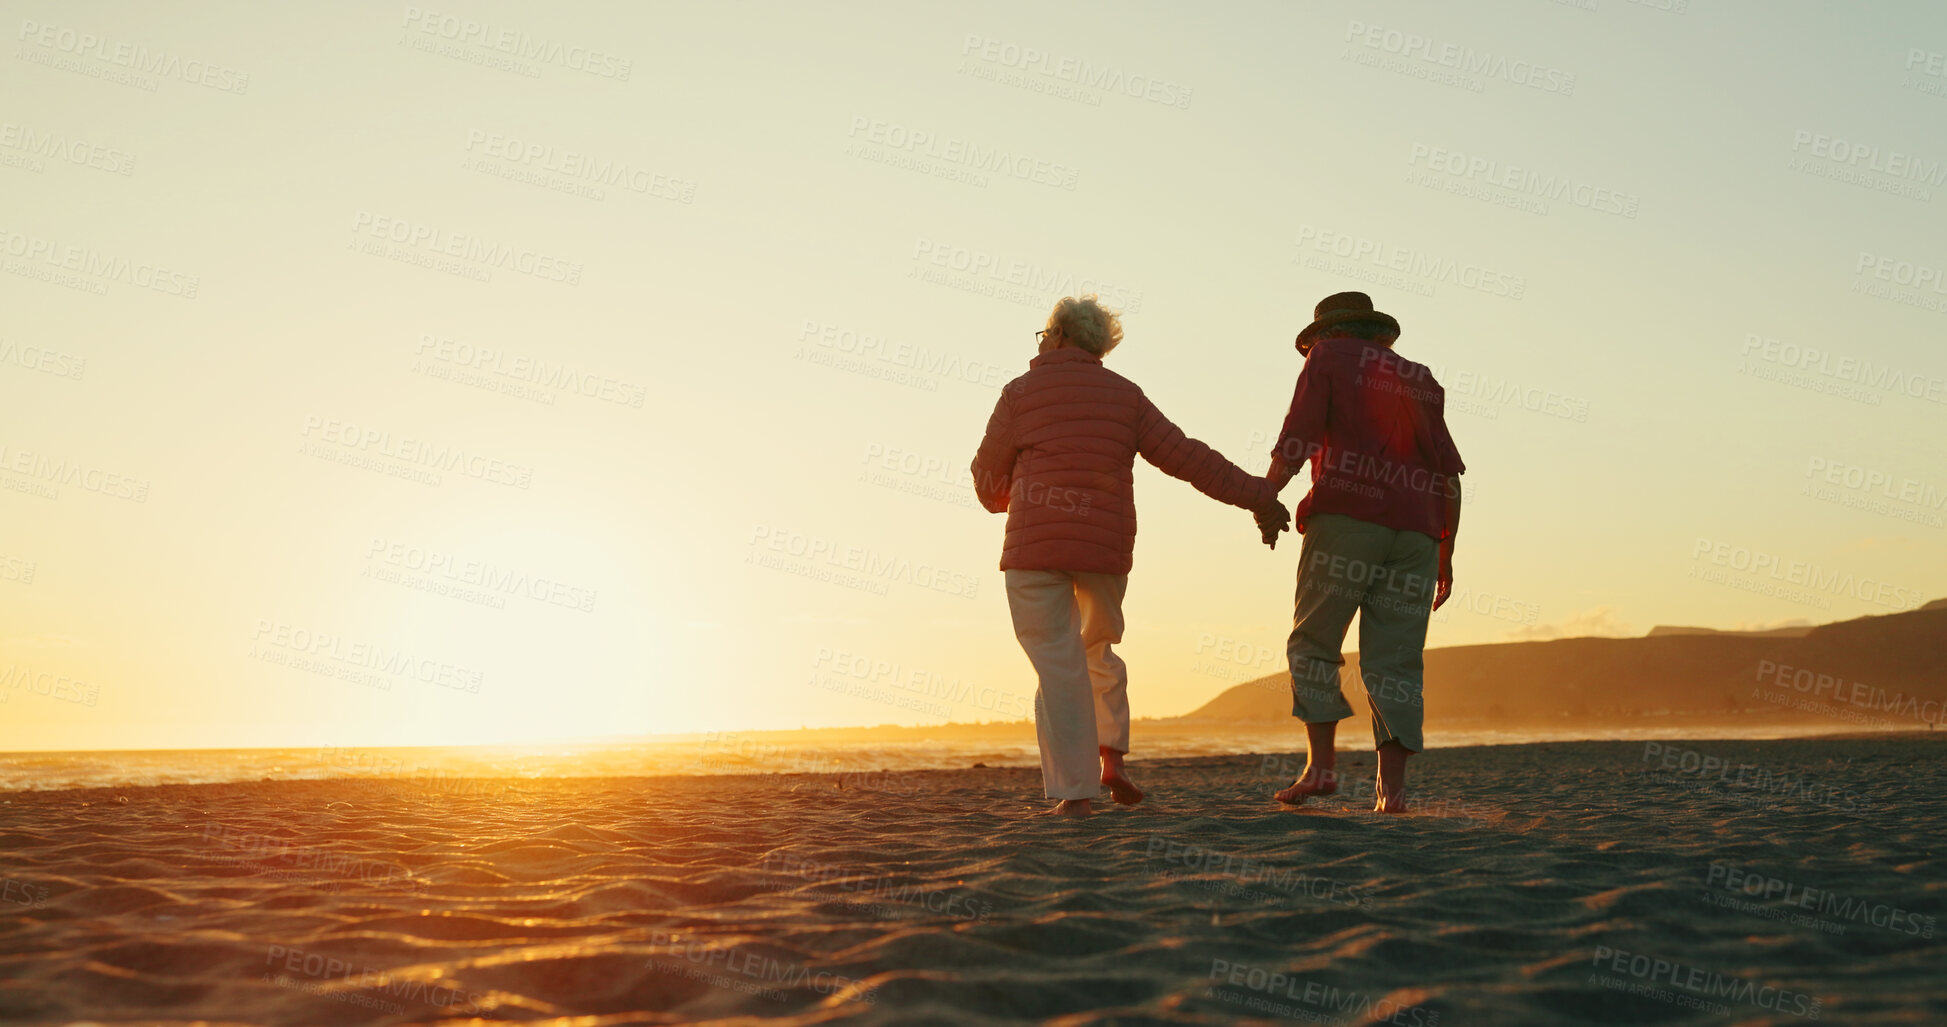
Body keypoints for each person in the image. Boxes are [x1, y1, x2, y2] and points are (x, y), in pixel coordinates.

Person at [972, 295, 1289, 818]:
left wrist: (1012, 495)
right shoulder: (1125, 396)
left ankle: (1076, 793)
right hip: (1103, 549)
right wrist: (1257, 496)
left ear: (1053, 336)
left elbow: (986, 479)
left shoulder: (1019, 393)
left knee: (1057, 663)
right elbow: (1189, 458)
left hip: (1036, 549)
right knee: (1099, 648)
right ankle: (1111, 756)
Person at [1256, 292, 1465, 813]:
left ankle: (1320, 770)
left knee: (1314, 643)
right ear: (1377, 334)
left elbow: (1298, 437)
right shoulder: (1420, 377)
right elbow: (1448, 473)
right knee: (1396, 661)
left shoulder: (1325, 359)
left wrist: (1266, 495)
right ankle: (1390, 794)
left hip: (1348, 519)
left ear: (1326, 334)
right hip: (1418, 531)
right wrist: (1447, 550)